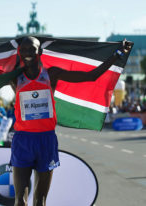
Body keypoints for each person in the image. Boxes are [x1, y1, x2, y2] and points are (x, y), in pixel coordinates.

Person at [10, 36, 132, 206]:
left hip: (46, 140)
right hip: (23, 140)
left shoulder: (51, 74)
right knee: (20, 202)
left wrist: (117, 54)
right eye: (23, 49)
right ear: (19, 52)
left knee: (40, 201)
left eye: (32, 49)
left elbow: (91, 76)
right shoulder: (14, 77)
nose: (28, 53)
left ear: (40, 51)